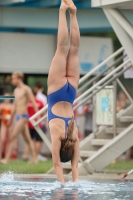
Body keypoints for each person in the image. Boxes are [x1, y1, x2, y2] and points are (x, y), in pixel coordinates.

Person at [47, 0, 80, 185]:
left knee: (74, 51)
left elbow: (75, 168)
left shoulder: (74, 136)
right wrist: (62, 185)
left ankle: (73, 14)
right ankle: (62, 11)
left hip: (71, 93)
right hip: (56, 92)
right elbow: (57, 165)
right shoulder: (57, 136)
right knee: (61, 49)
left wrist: (74, 184)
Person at [0, 72, 38, 164]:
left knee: (13, 136)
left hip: (23, 117)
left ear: (19, 78)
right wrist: (10, 119)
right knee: (27, 139)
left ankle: (7, 159)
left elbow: (33, 103)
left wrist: (38, 117)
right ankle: (34, 158)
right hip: (17, 117)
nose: (12, 80)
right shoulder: (16, 91)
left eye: (13, 78)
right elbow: (15, 106)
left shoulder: (26, 89)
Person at [22, 87, 47, 161]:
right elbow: (44, 113)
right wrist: (46, 123)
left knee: (28, 140)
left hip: (28, 123)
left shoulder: (27, 102)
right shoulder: (40, 102)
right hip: (38, 123)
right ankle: (35, 156)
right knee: (38, 141)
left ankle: (25, 155)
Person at [0, 92, 14, 160]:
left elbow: (14, 115)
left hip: (10, 124)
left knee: (10, 140)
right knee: (1, 140)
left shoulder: (12, 106)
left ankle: (7, 157)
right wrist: (4, 117)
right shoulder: (1, 105)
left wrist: (10, 118)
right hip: (3, 123)